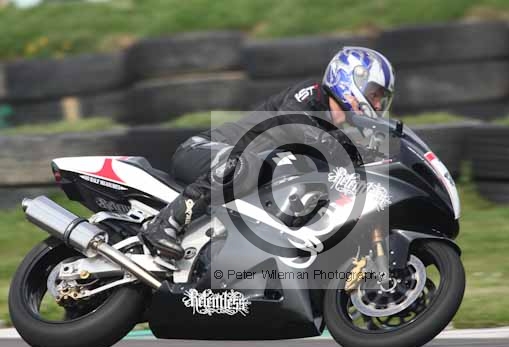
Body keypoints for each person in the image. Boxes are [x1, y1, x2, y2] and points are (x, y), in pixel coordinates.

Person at [138, 46, 396, 260]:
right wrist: (346, 148)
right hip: (202, 150)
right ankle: (163, 223)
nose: (377, 104)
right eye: (374, 94)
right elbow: (294, 124)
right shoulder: (312, 93)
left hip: (236, 173)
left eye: (381, 99)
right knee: (246, 165)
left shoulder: (333, 134)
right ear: (349, 78)